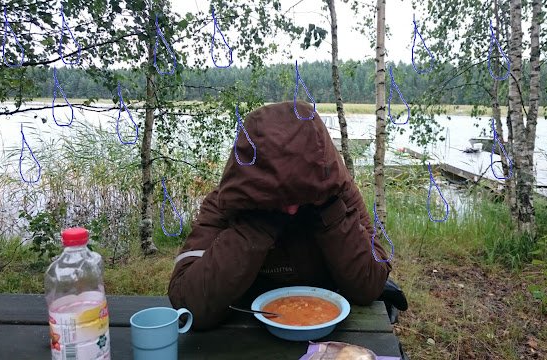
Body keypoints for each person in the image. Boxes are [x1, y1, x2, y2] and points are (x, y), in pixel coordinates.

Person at [168, 100, 400, 330]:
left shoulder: (337, 193)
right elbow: (189, 305)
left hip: (329, 328)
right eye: (279, 195)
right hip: (246, 331)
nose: (291, 209)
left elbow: (369, 285)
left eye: (301, 194)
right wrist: (257, 223)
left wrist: (329, 211)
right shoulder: (229, 201)